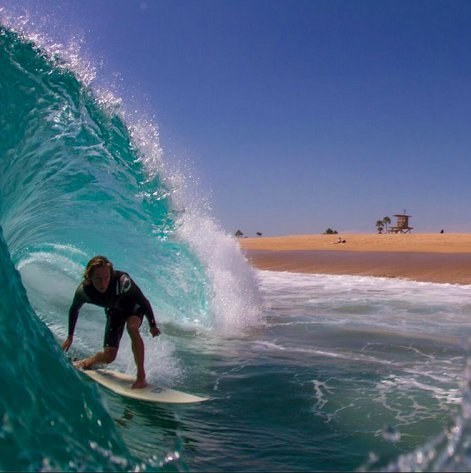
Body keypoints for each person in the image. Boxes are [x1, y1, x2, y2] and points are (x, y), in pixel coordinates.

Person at [62, 256, 161, 389]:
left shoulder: (123, 282)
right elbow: (74, 309)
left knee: (132, 328)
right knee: (109, 357)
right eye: (98, 279)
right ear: (89, 277)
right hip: (114, 313)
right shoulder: (84, 291)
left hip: (134, 308)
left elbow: (143, 301)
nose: (103, 283)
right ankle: (87, 362)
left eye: (106, 278)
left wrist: (152, 325)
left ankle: (141, 377)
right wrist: (70, 336)